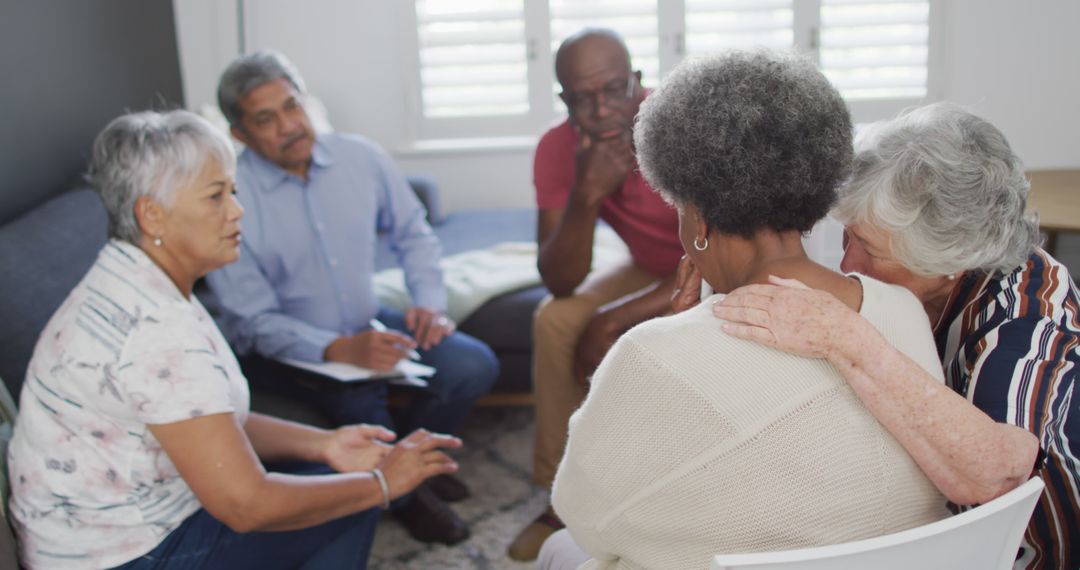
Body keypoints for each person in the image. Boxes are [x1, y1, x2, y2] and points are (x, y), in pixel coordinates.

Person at [544, 50, 951, 569]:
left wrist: (672, 337)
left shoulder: (651, 353)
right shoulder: (903, 309)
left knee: (565, 550)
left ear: (699, 218)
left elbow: (584, 515)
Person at [6, 110, 462, 570]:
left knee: (333, 480)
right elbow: (246, 506)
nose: (237, 211)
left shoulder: (132, 275)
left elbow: (204, 419)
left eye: (234, 191)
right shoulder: (157, 328)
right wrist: (384, 483)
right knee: (352, 500)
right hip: (115, 554)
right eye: (215, 195)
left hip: (89, 530)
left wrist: (325, 443)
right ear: (152, 214)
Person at [710, 102, 1078, 570]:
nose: (848, 264)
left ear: (948, 260)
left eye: (869, 250)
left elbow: (998, 477)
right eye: (848, 237)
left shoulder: (1026, 321)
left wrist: (846, 339)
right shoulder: (918, 278)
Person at [204, 50, 499, 544]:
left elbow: (414, 234)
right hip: (289, 349)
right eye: (266, 118)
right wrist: (335, 349)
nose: (289, 125)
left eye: (292, 106)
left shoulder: (361, 157)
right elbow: (251, 321)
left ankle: (415, 459)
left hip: (368, 321)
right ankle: (407, 494)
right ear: (240, 135)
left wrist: (428, 302)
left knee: (472, 364)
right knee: (359, 391)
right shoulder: (231, 200)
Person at [509, 28, 684, 560]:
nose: (604, 109)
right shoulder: (559, 148)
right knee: (555, 317)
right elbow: (560, 279)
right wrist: (586, 194)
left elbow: (725, 247)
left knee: (601, 320)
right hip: (649, 264)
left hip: (710, 262)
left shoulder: (681, 122)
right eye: (583, 98)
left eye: (615, 89)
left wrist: (613, 319)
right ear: (565, 101)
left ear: (638, 81)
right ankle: (560, 494)